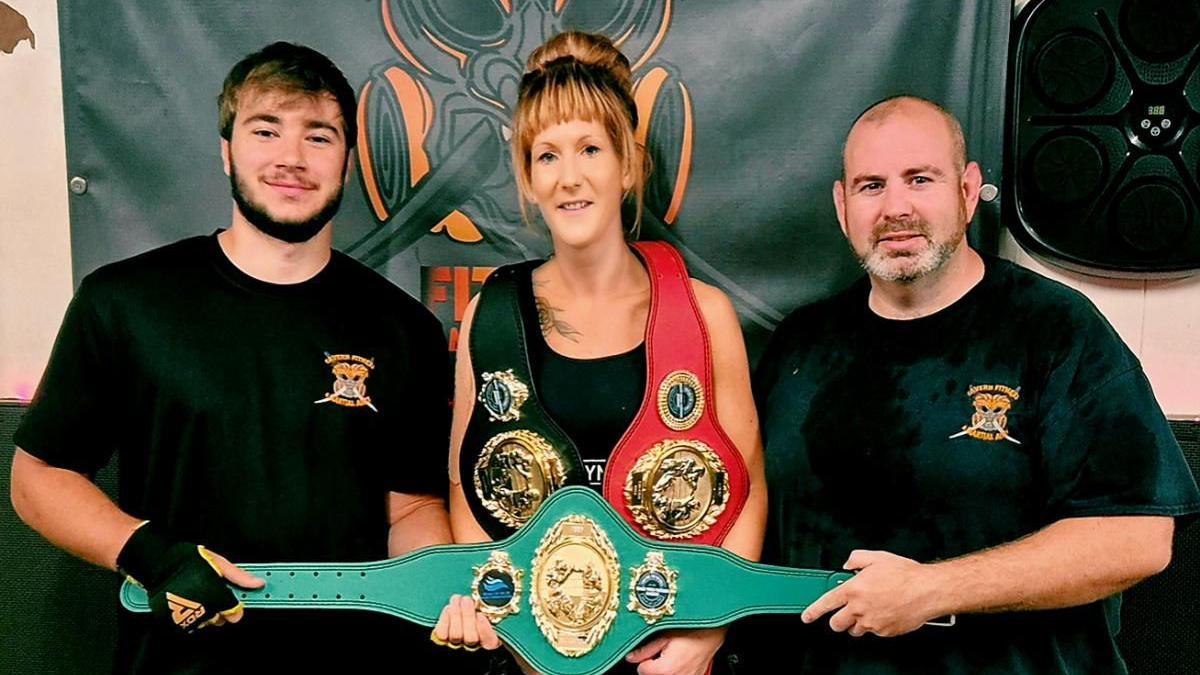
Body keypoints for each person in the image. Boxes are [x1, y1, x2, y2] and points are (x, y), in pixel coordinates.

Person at [10, 42, 456, 673]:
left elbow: (410, 507)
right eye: (265, 130)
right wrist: (147, 552)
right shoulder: (126, 302)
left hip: (354, 662)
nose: (291, 158)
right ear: (227, 150)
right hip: (178, 661)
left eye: (319, 136)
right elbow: (38, 480)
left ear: (348, 162)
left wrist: (440, 589)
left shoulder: (404, 327)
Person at [748, 95, 1200, 674]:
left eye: (919, 179)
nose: (896, 207)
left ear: (966, 192)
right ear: (842, 206)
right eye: (871, 186)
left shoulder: (1055, 329)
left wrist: (933, 589)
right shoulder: (800, 345)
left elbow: (1136, 537)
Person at [429, 31, 767, 675]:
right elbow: (466, 490)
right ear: (527, 179)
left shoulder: (703, 315)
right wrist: (514, 632)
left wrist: (709, 632)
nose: (570, 177)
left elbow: (745, 492)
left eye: (590, 148)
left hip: (671, 659)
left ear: (629, 165)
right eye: (547, 156)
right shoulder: (490, 315)